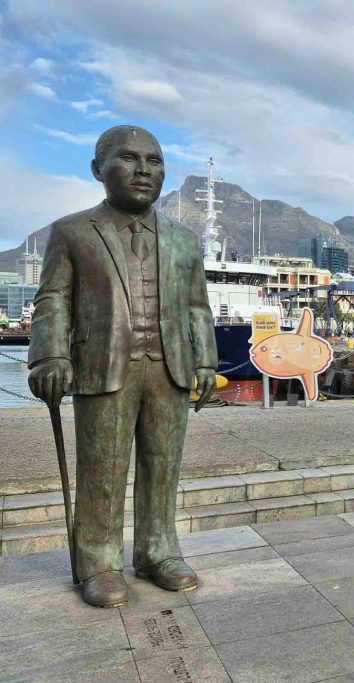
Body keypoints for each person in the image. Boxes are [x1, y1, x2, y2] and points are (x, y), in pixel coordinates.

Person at [27, 126, 217, 608]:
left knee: (163, 464)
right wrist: (49, 356)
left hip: (170, 367)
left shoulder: (184, 239)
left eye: (153, 161)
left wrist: (207, 361)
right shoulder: (72, 231)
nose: (143, 171)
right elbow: (53, 299)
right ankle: (99, 562)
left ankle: (158, 551)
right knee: (102, 468)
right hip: (104, 366)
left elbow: (197, 306)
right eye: (129, 159)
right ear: (98, 169)